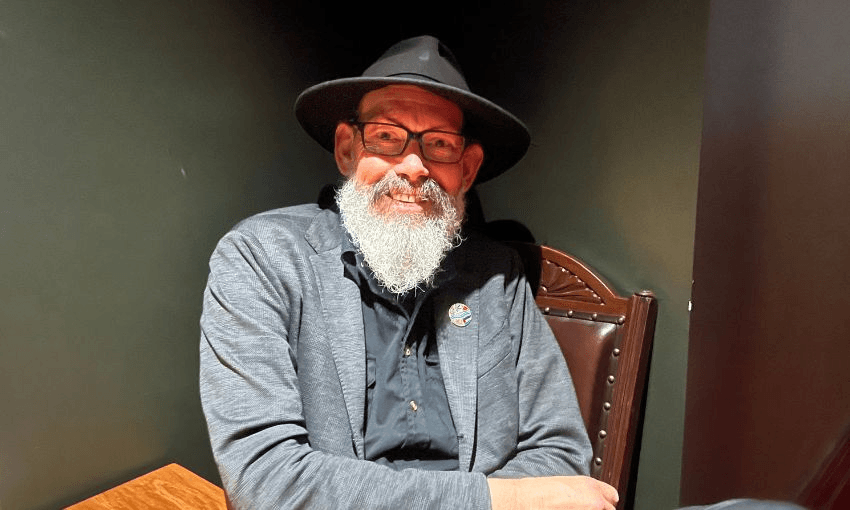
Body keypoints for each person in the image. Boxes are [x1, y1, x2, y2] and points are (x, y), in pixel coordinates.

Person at [199, 36, 806, 510]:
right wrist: (492, 500)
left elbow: (559, 448)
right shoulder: (259, 258)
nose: (413, 166)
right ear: (347, 150)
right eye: (387, 137)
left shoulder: (496, 275)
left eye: (438, 145)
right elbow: (268, 483)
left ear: (467, 166)